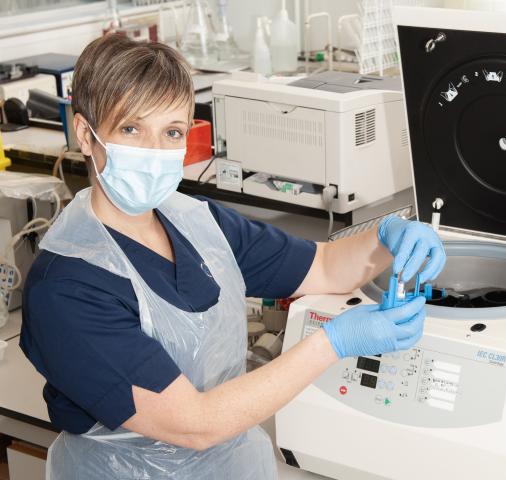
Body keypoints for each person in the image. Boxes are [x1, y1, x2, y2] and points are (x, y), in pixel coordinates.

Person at [19, 34, 446, 479]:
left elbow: (323, 267)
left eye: (172, 132)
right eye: (131, 128)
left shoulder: (197, 223)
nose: (154, 151)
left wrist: (390, 237)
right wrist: (333, 342)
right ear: (87, 135)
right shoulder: (66, 285)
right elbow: (194, 424)